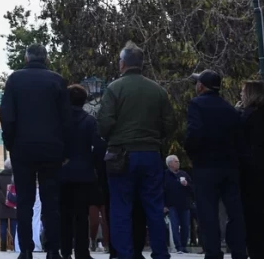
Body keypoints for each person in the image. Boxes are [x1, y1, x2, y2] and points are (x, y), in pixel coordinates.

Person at [96, 41, 174, 259]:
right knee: (154, 207)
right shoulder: (157, 90)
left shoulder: (114, 88)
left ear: (122, 64)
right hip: (150, 153)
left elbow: (104, 123)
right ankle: (160, 253)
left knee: (120, 207)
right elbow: (170, 124)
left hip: (121, 155)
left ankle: (124, 254)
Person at [0, 43, 71, 259]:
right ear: (46, 58)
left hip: (23, 148)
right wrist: (64, 148)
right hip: (52, 148)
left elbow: (6, 114)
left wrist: (11, 142)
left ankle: (27, 249)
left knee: (25, 201)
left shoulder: (15, 79)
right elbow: (66, 119)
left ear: (26, 58)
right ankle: (52, 249)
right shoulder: (57, 80)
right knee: (51, 201)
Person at [186, 70, 247, 259]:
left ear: (201, 86)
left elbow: (194, 134)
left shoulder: (197, 105)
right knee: (234, 211)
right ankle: (238, 250)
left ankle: (213, 252)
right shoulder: (229, 109)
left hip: (206, 167)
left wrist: (192, 152)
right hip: (229, 167)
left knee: (208, 212)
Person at [61, 84, 106, 259]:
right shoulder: (90, 121)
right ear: (84, 101)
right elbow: (99, 146)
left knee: (64, 214)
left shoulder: (60, 121)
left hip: (63, 172)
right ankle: (82, 251)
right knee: (81, 215)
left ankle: (65, 251)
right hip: (83, 173)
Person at [237, 80, 264, 259]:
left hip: (250, 171)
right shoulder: (262, 114)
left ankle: (261, 252)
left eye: (243, 91)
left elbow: (242, 135)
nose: (241, 94)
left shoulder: (252, 115)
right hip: (259, 170)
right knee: (258, 213)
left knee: (253, 215)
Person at [163, 156, 193, 254]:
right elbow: (161, 191)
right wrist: (164, 205)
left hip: (184, 204)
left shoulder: (184, 174)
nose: (178, 163)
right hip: (171, 205)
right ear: (170, 163)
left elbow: (192, 188)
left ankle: (184, 246)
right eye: (176, 161)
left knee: (185, 226)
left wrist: (187, 184)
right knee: (175, 226)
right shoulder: (165, 175)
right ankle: (178, 247)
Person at [0, 160, 19, 252]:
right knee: (14, 226)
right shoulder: (16, 176)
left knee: (3, 226)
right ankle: (15, 246)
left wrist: (4, 200)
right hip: (13, 204)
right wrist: (10, 200)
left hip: (2, 206)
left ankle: (3, 247)